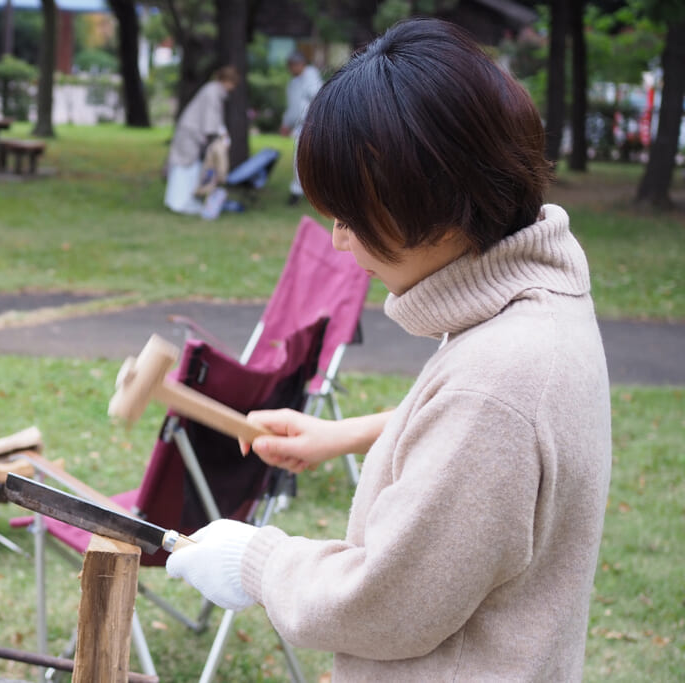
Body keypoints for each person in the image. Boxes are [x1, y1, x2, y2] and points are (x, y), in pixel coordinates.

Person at [167, 17, 611, 682]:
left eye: (351, 214)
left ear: (435, 198)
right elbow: (496, 443)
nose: (341, 240)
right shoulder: (545, 303)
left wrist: (255, 560)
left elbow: (384, 603)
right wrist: (349, 433)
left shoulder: (495, 384)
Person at [164, 66, 239, 215]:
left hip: (191, 135)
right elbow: (211, 120)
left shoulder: (213, 90)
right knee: (185, 168)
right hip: (190, 135)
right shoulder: (213, 92)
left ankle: (179, 201)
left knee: (188, 168)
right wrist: (221, 135)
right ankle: (180, 203)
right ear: (227, 80)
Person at [280, 51, 322, 206]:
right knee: (300, 159)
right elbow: (293, 107)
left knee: (308, 159)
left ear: (301, 64)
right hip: (300, 126)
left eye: (293, 65)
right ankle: (299, 191)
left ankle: (302, 192)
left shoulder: (311, 77)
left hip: (312, 124)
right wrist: (287, 122)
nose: (291, 69)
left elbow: (316, 97)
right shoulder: (293, 83)